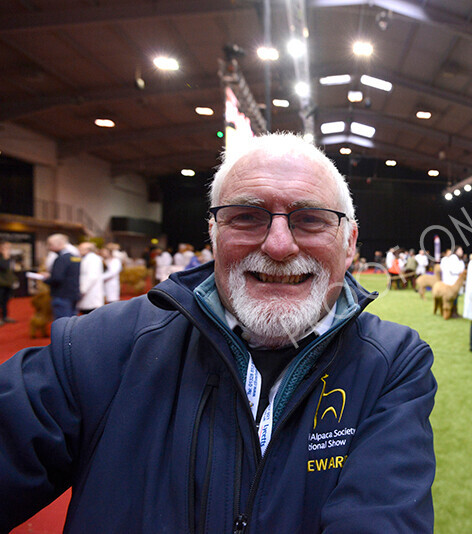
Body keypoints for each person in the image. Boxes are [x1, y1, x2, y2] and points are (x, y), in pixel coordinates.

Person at [0, 133, 436, 532]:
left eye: (310, 219)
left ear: (350, 242)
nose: (279, 245)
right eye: (247, 216)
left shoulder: (391, 363)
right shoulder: (99, 348)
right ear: (213, 233)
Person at [41, 233, 81, 320]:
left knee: (63, 323)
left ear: (59, 244)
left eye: (50, 244)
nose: (48, 247)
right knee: (73, 321)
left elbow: (57, 278)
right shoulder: (74, 257)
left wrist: (45, 279)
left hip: (62, 295)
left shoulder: (61, 259)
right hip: (73, 294)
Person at [76, 241, 105, 314]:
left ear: (88, 250)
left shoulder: (93, 259)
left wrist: (82, 290)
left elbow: (92, 276)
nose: (79, 250)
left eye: (81, 248)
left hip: (90, 293)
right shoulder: (86, 258)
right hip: (87, 293)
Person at [440, 246, 465, 318]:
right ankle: (452, 313)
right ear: (456, 251)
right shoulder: (453, 259)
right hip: (452, 281)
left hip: (455, 281)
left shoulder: (457, 259)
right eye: (460, 250)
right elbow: (454, 270)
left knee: (455, 297)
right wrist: (461, 272)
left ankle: (454, 312)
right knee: (452, 298)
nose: (462, 251)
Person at [0, 241, 17, 325]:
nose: (8, 250)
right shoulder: (3, 258)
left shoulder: (9, 258)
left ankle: (5, 316)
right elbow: (4, 266)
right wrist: (5, 256)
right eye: (6, 248)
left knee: (5, 301)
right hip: (1, 284)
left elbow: (11, 270)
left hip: (8, 283)